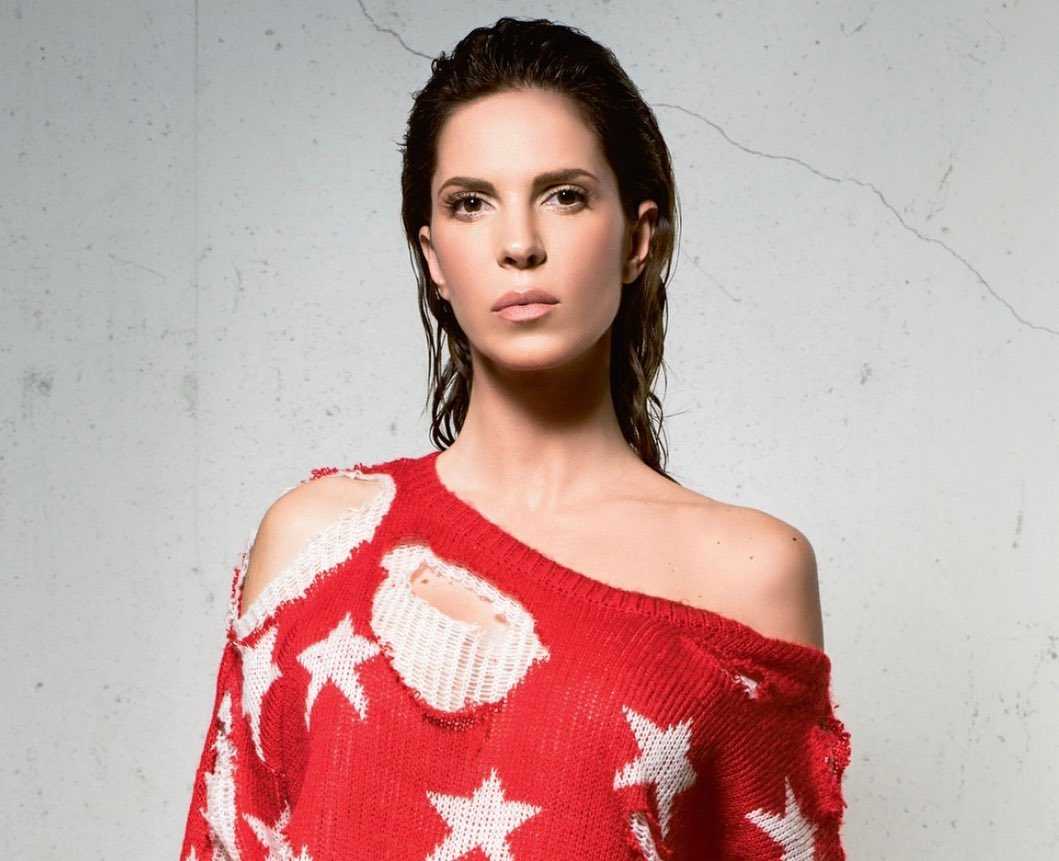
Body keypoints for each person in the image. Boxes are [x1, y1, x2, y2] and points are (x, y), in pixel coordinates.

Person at [180, 16, 851, 860]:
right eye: (471, 203)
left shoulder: (745, 570)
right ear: (433, 257)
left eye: (564, 195)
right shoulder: (317, 543)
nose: (520, 244)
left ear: (638, 238)